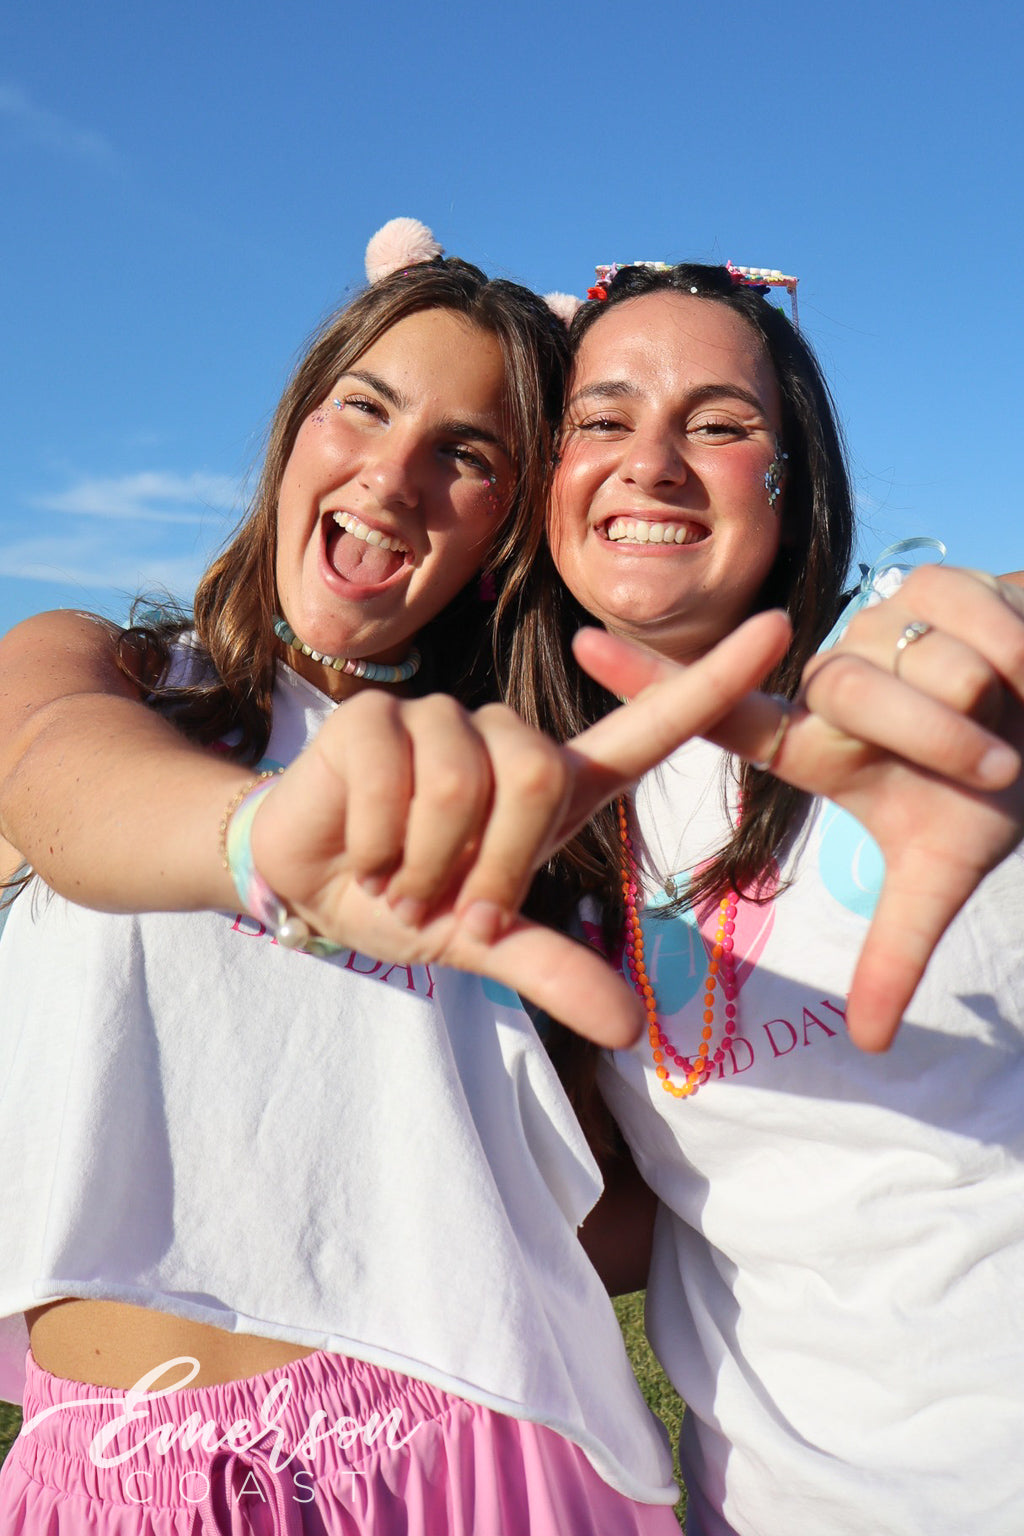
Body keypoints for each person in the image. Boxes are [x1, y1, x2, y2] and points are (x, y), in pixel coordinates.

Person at [0, 226, 786, 1534]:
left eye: (468, 454)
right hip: (116, 1480)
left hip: (473, 1459)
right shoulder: (108, 672)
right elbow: (55, 777)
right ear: (296, 424)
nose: (393, 474)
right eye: (364, 405)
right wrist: (257, 849)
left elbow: (599, 1200)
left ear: (505, 529)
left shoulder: (536, 802)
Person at [505, 260, 1024, 1535]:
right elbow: (630, 1218)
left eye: (722, 424)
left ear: (794, 490)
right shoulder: (541, 812)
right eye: (603, 419)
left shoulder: (906, 710)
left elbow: (976, 641)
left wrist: (973, 647)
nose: (654, 463)